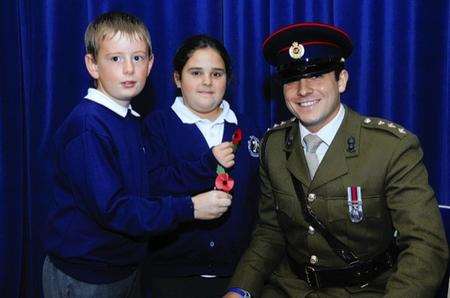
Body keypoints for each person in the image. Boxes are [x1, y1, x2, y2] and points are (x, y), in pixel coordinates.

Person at [225, 22, 448, 297]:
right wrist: (240, 289)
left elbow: (426, 247)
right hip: (289, 288)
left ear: (341, 80)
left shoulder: (390, 148)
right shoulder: (273, 146)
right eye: (292, 79)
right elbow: (270, 231)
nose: (303, 90)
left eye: (317, 75)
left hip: (365, 290)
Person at [42, 12, 232, 298]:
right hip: (87, 277)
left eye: (138, 58)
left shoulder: (130, 119)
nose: (129, 69)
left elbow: (149, 181)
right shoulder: (88, 126)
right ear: (92, 65)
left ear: (151, 64)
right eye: (116, 59)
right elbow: (115, 210)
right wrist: (189, 208)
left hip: (125, 268)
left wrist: (208, 163)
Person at [141, 35, 261, 297]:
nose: (207, 82)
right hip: (172, 276)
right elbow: (151, 188)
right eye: (196, 73)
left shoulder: (248, 127)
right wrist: (206, 165)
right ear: (177, 79)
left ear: (228, 80)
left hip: (237, 275)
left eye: (216, 74)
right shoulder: (157, 126)